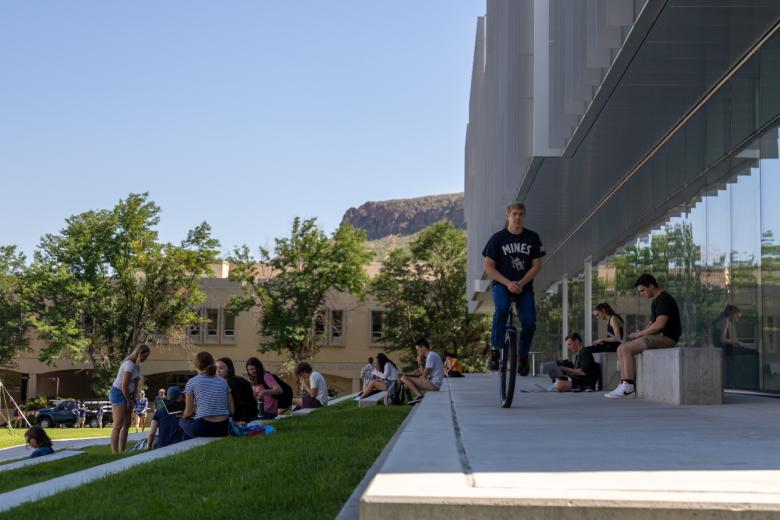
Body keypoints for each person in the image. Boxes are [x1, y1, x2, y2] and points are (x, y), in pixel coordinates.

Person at [482, 202, 545, 375]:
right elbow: (488, 266)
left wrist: (521, 283)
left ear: (524, 216)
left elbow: (537, 265)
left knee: (530, 322)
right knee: (502, 308)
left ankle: (523, 356)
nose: (517, 217)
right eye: (514, 214)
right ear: (507, 216)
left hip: (523, 286)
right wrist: (508, 283)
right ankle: (495, 349)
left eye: (521, 214)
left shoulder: (532, 237)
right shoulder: (497, 238)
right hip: (502, 285)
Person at [605, 274, 681, 399]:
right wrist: (640, 334)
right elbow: (651, 324)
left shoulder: (664, 299)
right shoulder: (655, 301)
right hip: (658, 337)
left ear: (651, 286)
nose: (641, 294)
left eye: (643, 290)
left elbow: (659, 325)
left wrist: (640, 334)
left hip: (667, 338)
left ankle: (629, 387)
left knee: (625, 349)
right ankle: (623, 384)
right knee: (621, 348)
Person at [180, 351, 234, 439]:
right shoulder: (223, 382)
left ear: (196, 365)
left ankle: (182, 448)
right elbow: (232, 410)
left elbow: (188, 413)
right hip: (223, 428)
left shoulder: (192, 382)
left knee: (182, 421)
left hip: (203, 427)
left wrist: (184, 416)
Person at [109, 343, 150, 453]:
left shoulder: (137, 366)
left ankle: (122, 450)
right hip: (118, 393)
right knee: (118, 424)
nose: (145, 359)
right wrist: (128, 400)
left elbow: (135, 386)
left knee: (127, 424)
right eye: (144, 356)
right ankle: (115, 452)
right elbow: (124, 385)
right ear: (139, 353)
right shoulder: (129, 365)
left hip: (128, 394)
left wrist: (133, 400)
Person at [400, 338, 444, 405]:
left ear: (423, 347)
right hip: (434, 384)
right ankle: (411, 401)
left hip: (433, 385)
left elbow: (424, 375)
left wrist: (419, 361)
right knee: (407, 382)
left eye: (418, 349)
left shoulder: (430, 356)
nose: (418, 352)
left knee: (403, 378)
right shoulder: (432, 355)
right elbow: (424, 373)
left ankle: (419, 396)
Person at [216, 357, 257, 422]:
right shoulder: (223, 383)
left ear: (229, 368)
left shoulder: (234, 382)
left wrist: (243, 420)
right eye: (216, 368)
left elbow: (246, 404)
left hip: (242, 419)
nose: (218, 371)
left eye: (221, 368)